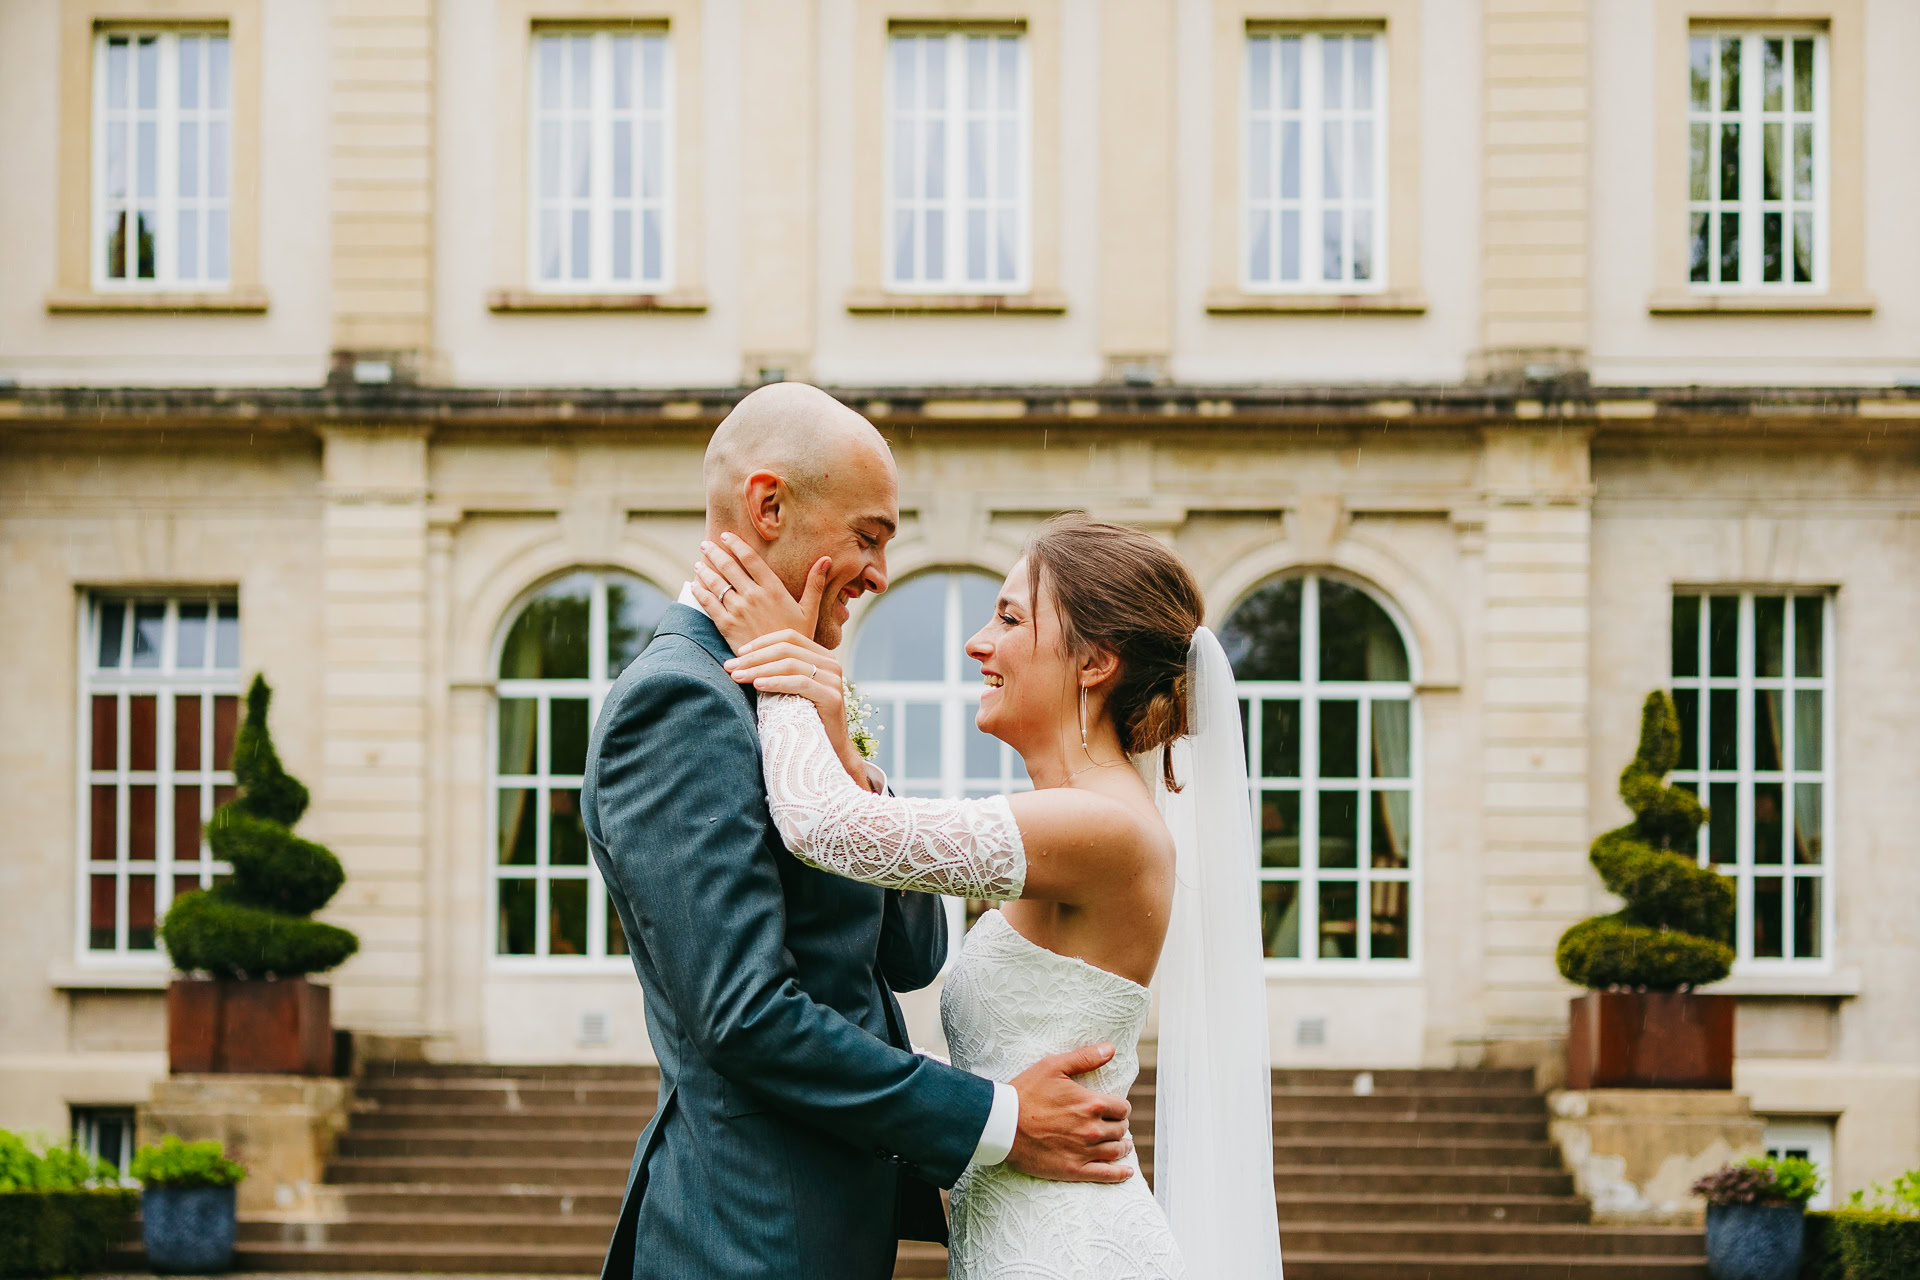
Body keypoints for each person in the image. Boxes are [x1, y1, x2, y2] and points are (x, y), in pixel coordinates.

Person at [582, 383, 1137, 1280]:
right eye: (869, 537)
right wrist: (997, 1119)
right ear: (769, 507)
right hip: (744, 1236)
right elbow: (742, 1014)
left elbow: (911, 955)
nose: (880, 574)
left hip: (821, 1231)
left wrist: (842, 757)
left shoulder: (793, 696)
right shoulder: (682, 699)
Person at [692, 510, 1286, 1278]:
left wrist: (782, 662)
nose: (978, 643)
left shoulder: (1106, 826)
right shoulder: (1074, 820)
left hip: (1072, 1253)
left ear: (1095, 662)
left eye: (1009, 618)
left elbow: (822, 827)